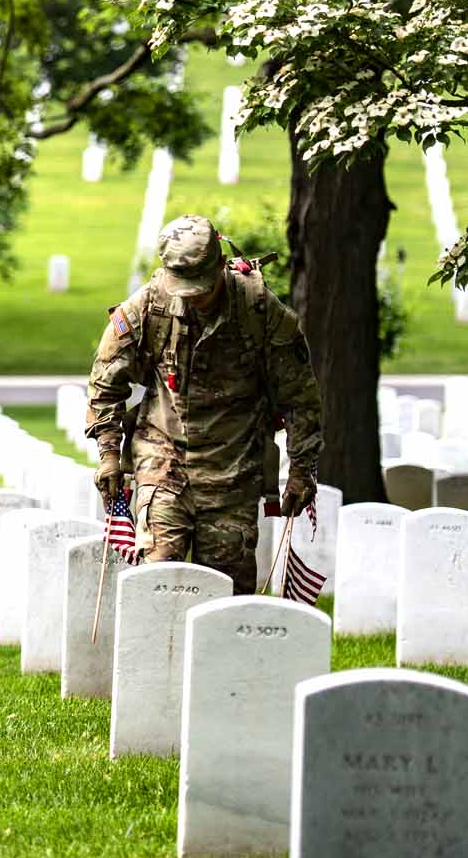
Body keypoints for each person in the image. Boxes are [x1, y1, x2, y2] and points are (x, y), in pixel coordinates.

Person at [86, 214, 324, 595]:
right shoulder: (149, 306)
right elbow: (105, 381)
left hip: (233, 469)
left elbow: (300, 396)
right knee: (157, 577)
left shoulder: (258, 310)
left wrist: (301, 469)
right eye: (184, 288)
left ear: (219, 267)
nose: (193, 296)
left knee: (226, 593)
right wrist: (109, 454)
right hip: (162, 461)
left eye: (201, 287)